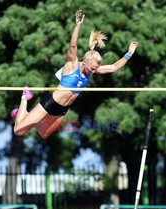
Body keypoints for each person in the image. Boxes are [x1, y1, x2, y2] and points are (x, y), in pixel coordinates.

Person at [11, 10, 138, 139]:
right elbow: (72, 46)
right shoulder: (72, 65)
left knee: (44, 133)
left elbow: (114, 67)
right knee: (18, 131)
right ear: (85, 62)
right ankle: (24, 97)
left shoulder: (90, 71)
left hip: (62, 109)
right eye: (92, 68)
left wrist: (129, 54)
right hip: (52, 102)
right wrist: (78, 26)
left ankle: (26, 114)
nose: (94, 72)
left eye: (96, 69)